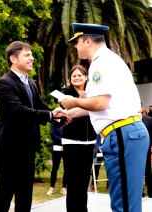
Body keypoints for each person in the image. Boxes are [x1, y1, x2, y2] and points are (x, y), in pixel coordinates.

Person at [59, 23, 149, 212]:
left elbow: (99, 103)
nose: (75, 46)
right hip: (124, 132)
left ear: (88, 41)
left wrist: (73, 102)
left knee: (124, 204)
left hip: (122, 133)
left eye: (77, 42)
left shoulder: (101, 63)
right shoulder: (108, 61)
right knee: (123, 201)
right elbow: (98, 107)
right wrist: (67, 113)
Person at [0, 41, 70, 211]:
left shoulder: (31, 83)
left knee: (25, 195)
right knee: (4, 195)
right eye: (27, 55)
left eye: (32, 55)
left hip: (28, 149)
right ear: (13, 58)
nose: (32, 58)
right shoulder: (4, 83)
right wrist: (49, 115)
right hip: (10, 149)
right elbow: (18, 110)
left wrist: (57, 116)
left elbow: (40, 106)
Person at [60, 65, 97, 211]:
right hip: (71, 141)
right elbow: (64, 110)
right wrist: (80, 101)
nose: (77, 78)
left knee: (83, 180)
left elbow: (96, 108)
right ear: (70, 78)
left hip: (89, 142)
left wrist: (86, 100)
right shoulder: (66, 93)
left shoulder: (92, 92)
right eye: (74, 76)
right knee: (72, 180)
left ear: (86, 77)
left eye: (80, 75)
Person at [46, 123, 67, 196]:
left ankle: (64, 187)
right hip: (56, 148)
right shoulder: (54, 123)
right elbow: (52, 134)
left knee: (66, 168)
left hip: (67, 148)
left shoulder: (68, 122)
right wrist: (63, 141)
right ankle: (52, 187)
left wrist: (66, 143)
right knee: (55, 168)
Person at [141, 107, 152, 198]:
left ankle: (150, 191)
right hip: (133, 150)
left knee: (148, 172)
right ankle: (140, 192)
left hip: (146, 149)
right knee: (136, 173)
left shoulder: (149, 120)